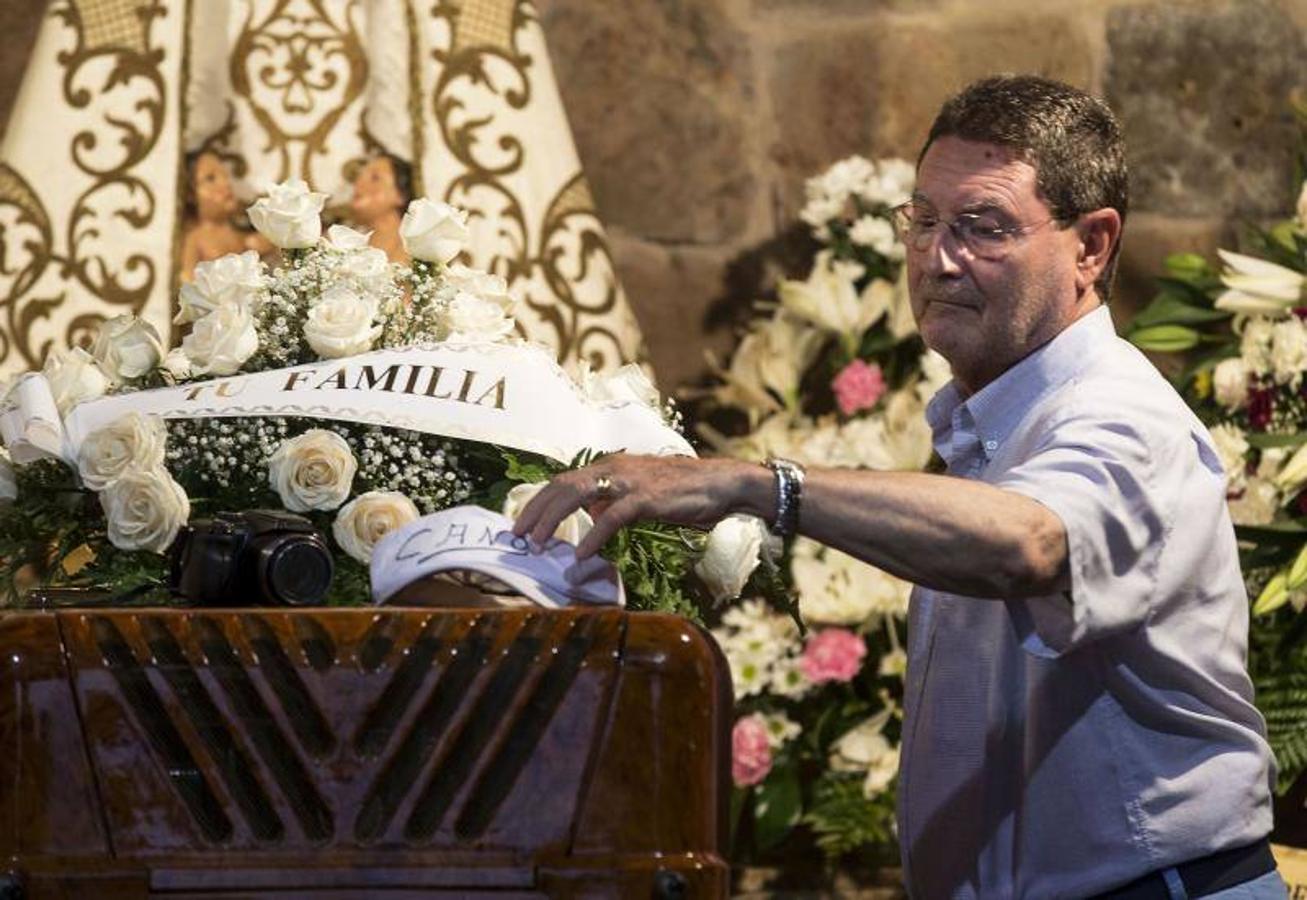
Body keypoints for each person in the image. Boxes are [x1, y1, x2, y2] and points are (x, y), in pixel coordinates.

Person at [511, 75, 1285, 898]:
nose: (937, 258)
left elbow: (1027, 541)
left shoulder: (1122, 414)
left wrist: (760, 486)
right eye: (923, 219)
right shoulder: (991, 417)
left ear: (1090, 246)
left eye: (982, 227)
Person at [179, 151, 270, 281]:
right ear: (190, 195)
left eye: (226, 176)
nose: (226, 184)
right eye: (210, 178)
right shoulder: (194, 239)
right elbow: (187, 283)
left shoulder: (245, 229)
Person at [350, 153, 414, 263]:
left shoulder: (413, 246)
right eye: (358, 177)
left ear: (401, 195)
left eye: (375, 178)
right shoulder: (343, 239)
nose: (358, 183)